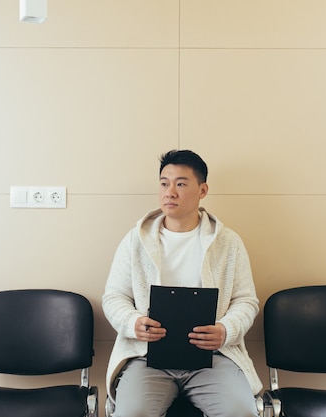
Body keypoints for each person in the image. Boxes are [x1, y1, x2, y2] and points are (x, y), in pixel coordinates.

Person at [102, 149, 262, 417]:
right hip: (148, 358)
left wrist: (225, 329)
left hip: (212, 358)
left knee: (241, 413)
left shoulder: (228, 242)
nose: (170, 192)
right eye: (164, 183)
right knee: (132, 414)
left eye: (181, 184)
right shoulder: (135, 240)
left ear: (202, 190)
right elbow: (114, 297)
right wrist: (133, 323)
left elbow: (246, 300)